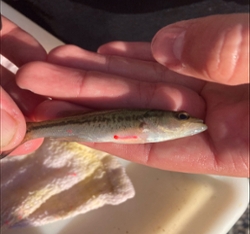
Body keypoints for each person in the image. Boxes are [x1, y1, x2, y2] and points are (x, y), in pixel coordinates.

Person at [0, 14, 249, 177]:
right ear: (153, 120)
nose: (188, 121)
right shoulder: (146, 123)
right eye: (181, 117)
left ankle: (31, 130)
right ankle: (31, 130)